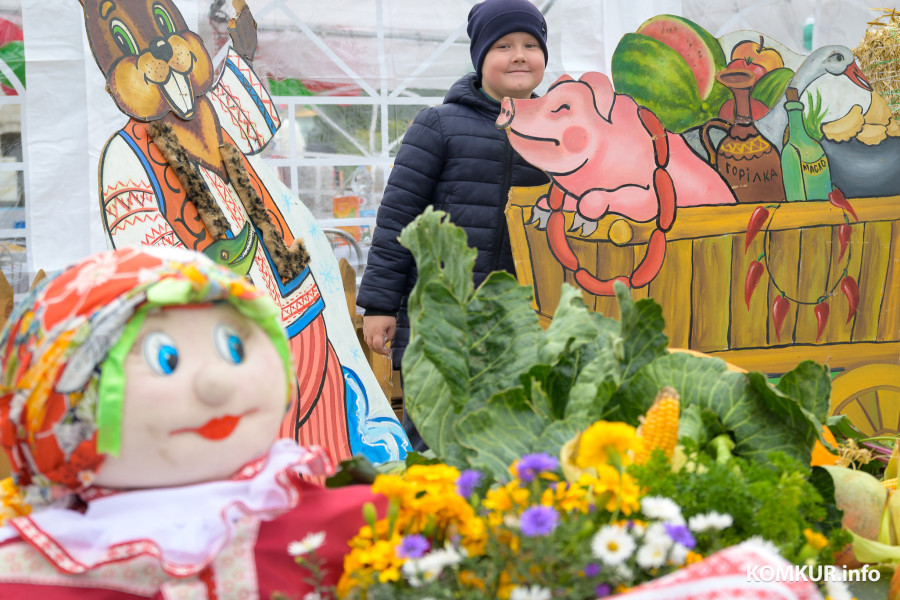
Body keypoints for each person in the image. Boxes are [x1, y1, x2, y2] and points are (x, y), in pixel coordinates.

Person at [0, 247, 383, 598]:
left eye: (235, 348)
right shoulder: (29, 570)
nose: (214, 384)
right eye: (164, 359)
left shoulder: (364, 521)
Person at [357, 0, 551, 450]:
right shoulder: (439, 125)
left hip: (526, 319)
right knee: (437, 438)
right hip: (443, 320)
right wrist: (381, 305)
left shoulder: (558, 134)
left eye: (529, 44)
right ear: (480, 57)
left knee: (517, 441)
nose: (519, 55)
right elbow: (397, 220)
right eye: (503, 45)